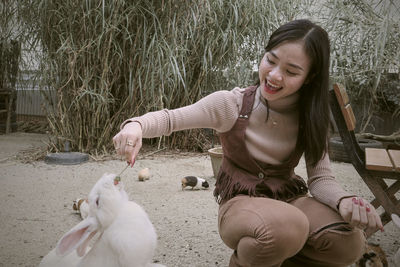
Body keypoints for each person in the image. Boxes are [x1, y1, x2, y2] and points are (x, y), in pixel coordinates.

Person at [113, 19, 383, 267]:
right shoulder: (232, 104)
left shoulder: (312, 117)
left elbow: (321, 178)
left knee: (349, 242)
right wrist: (135, 126)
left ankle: (276, 258)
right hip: (241, 204)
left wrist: (344, 200)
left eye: (291, 71)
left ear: (309, 77)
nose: (275, 75)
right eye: (271, 60)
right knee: (286, 227)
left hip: (289, 201)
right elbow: (170, 119)